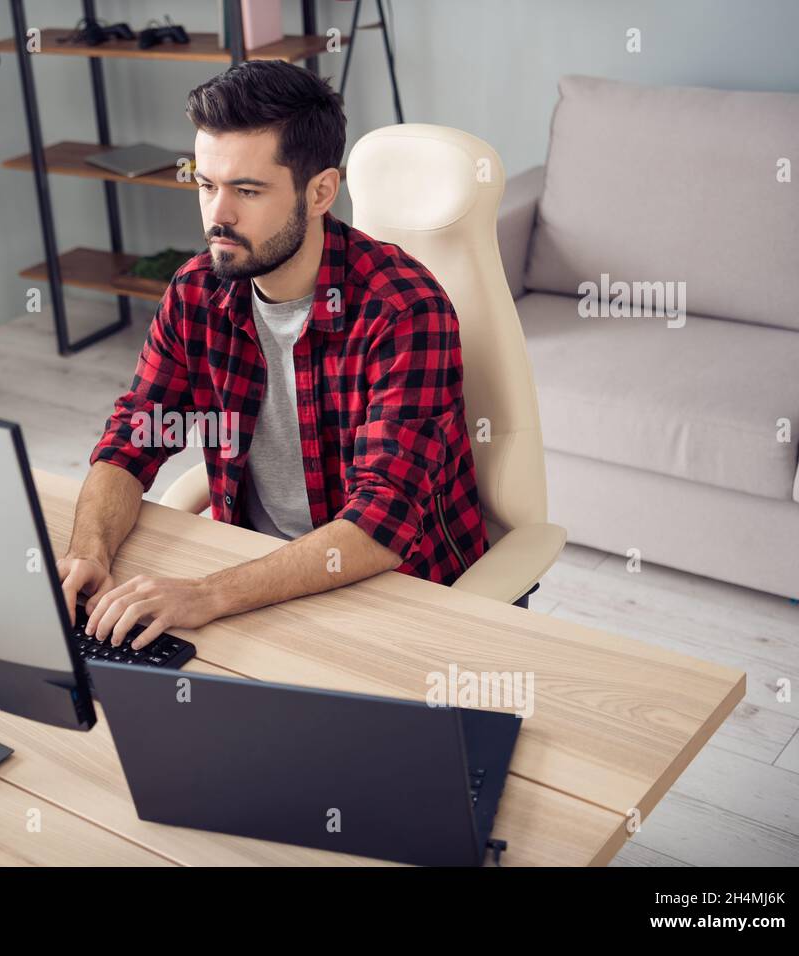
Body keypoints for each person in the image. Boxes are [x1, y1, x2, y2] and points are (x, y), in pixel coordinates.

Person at [59, 60, 487, 649]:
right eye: (207, 186)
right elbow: (132, 439)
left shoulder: (404, 310)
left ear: (320, 192)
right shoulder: (196, 291)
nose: (218, 216)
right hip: (254, 577)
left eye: (247, 191)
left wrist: (207, 595)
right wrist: (90, 550)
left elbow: (380, 526)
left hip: (394, 594)